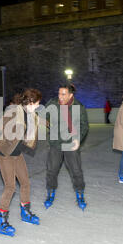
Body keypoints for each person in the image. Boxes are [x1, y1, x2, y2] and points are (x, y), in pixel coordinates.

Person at [0, 89, 43, 237]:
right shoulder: (14, 113)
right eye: (38, 103)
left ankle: (25, 212)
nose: (39, 106)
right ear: (31, 102)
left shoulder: (32, 115)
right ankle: (1, 221)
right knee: (10, 187)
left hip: (17, 153)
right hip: (5, 154)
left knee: (25, 182)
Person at [44, 83, 89, 211]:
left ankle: (80, 194)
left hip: (70, 143)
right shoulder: (53, 103)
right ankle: (51, 192)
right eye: (59, 93)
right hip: (56, 143)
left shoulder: (78, 106)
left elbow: (84, 125)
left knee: (76, 171)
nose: (60, 97)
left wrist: (77, 139)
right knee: (51, 170)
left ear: (70, 95)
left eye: (63, 94)